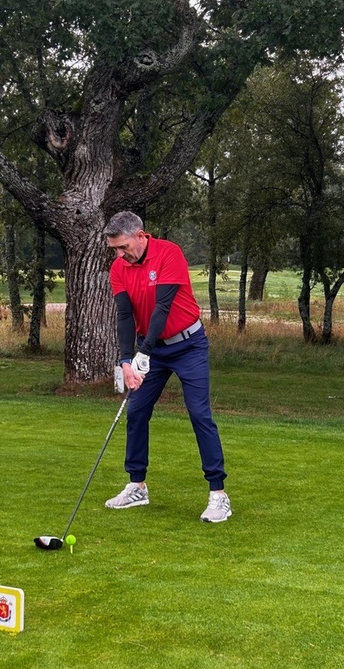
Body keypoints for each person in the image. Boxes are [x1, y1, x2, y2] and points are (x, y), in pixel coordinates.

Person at [103, 211, 231, 523]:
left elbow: (163, 307)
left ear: (140, 235)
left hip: (188, 346)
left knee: (200, 414)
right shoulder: (119, 267)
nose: (120, 255)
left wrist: (142, 352)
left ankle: (218, 494)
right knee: (136, 411)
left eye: (123, 247)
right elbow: (123, 315)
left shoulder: (168, 253)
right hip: (152, 350)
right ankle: (137, 485)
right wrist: (125, 360)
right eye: (114, 250)